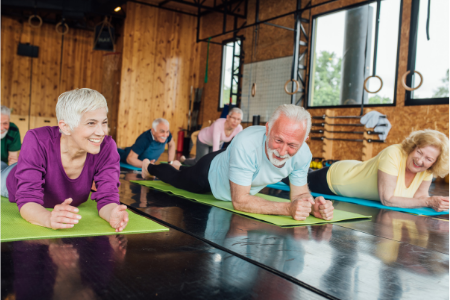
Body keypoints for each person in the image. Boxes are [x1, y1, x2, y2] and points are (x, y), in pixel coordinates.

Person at [142, 104, 334, 221]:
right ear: (267, 129)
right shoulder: (246, 142)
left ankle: (181, 165)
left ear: (305, 139)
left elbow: (299, 193)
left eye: (292, 145)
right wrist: (288, 209)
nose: (282, 152)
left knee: (183, 171)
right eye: (278, 140)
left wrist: (310, 206)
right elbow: (240, 201)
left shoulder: (303, 154)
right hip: (210, 173)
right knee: (178, 179)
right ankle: (150, 167)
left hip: (236, 170)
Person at [1, 88, 128, 231]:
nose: (101, 132)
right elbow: (27, 199)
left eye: (104, 122)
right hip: (10, 179)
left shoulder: (106, 146)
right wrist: (48, 218)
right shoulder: (37, 139)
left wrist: (112, 212)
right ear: (65, 127)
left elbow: (108, 197)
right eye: (91, 123)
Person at [288, 129, 448, 212]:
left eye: (428, 159)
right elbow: (388, 199)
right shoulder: (394, 153)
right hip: (338, 179)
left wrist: (437, 202)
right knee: (289, 177)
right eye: (419, 152)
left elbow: (419, 197)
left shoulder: (428, 170)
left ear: (435, 162)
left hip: (353, 170)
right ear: (414, 147)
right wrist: (428, 201)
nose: (420, 160)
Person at [1, 105, 21, 170]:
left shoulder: (13, 130)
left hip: (4, 165)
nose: (1, 128)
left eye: (5, 123)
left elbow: (12, 158)